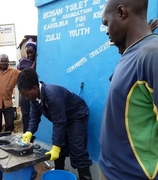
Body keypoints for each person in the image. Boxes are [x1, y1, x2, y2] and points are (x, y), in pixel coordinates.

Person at [99, 0, 158, 179]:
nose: (107, 31)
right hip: (110, 168)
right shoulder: (132, 53)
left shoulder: (152, 54)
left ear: (122, 13)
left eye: (106, 23)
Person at [18, 68, 92, 180]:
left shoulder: (52, 94)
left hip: (77, 116)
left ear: (34, 88)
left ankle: (85, 178)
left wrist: (56, 146)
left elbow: (59, 122)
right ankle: (59, 175)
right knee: (59, 149)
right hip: (62, 119)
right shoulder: (34, 97)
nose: (25, 98)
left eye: (26, 94)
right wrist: (29, 131)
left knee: (77, 152)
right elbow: (34, 117)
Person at [17, 38, 37, 133]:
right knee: (26, 114)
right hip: (26, 93)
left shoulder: (41, 60)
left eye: (31, 53)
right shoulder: (23, 62)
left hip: (35, 92)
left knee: (34, 114)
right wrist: (35, 62)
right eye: (27, 53)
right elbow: (27, 73)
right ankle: (26, 134)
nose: (29, 55)